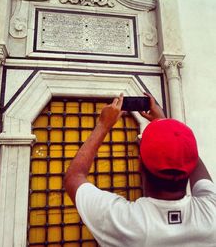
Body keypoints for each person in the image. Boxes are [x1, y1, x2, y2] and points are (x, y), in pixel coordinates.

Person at [64, 93, 216, 247]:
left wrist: (103, 125)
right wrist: (166, 128)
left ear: (139, 164)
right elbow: (189, 155)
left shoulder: (127, 224)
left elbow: (73, 177)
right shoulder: (210, 215)